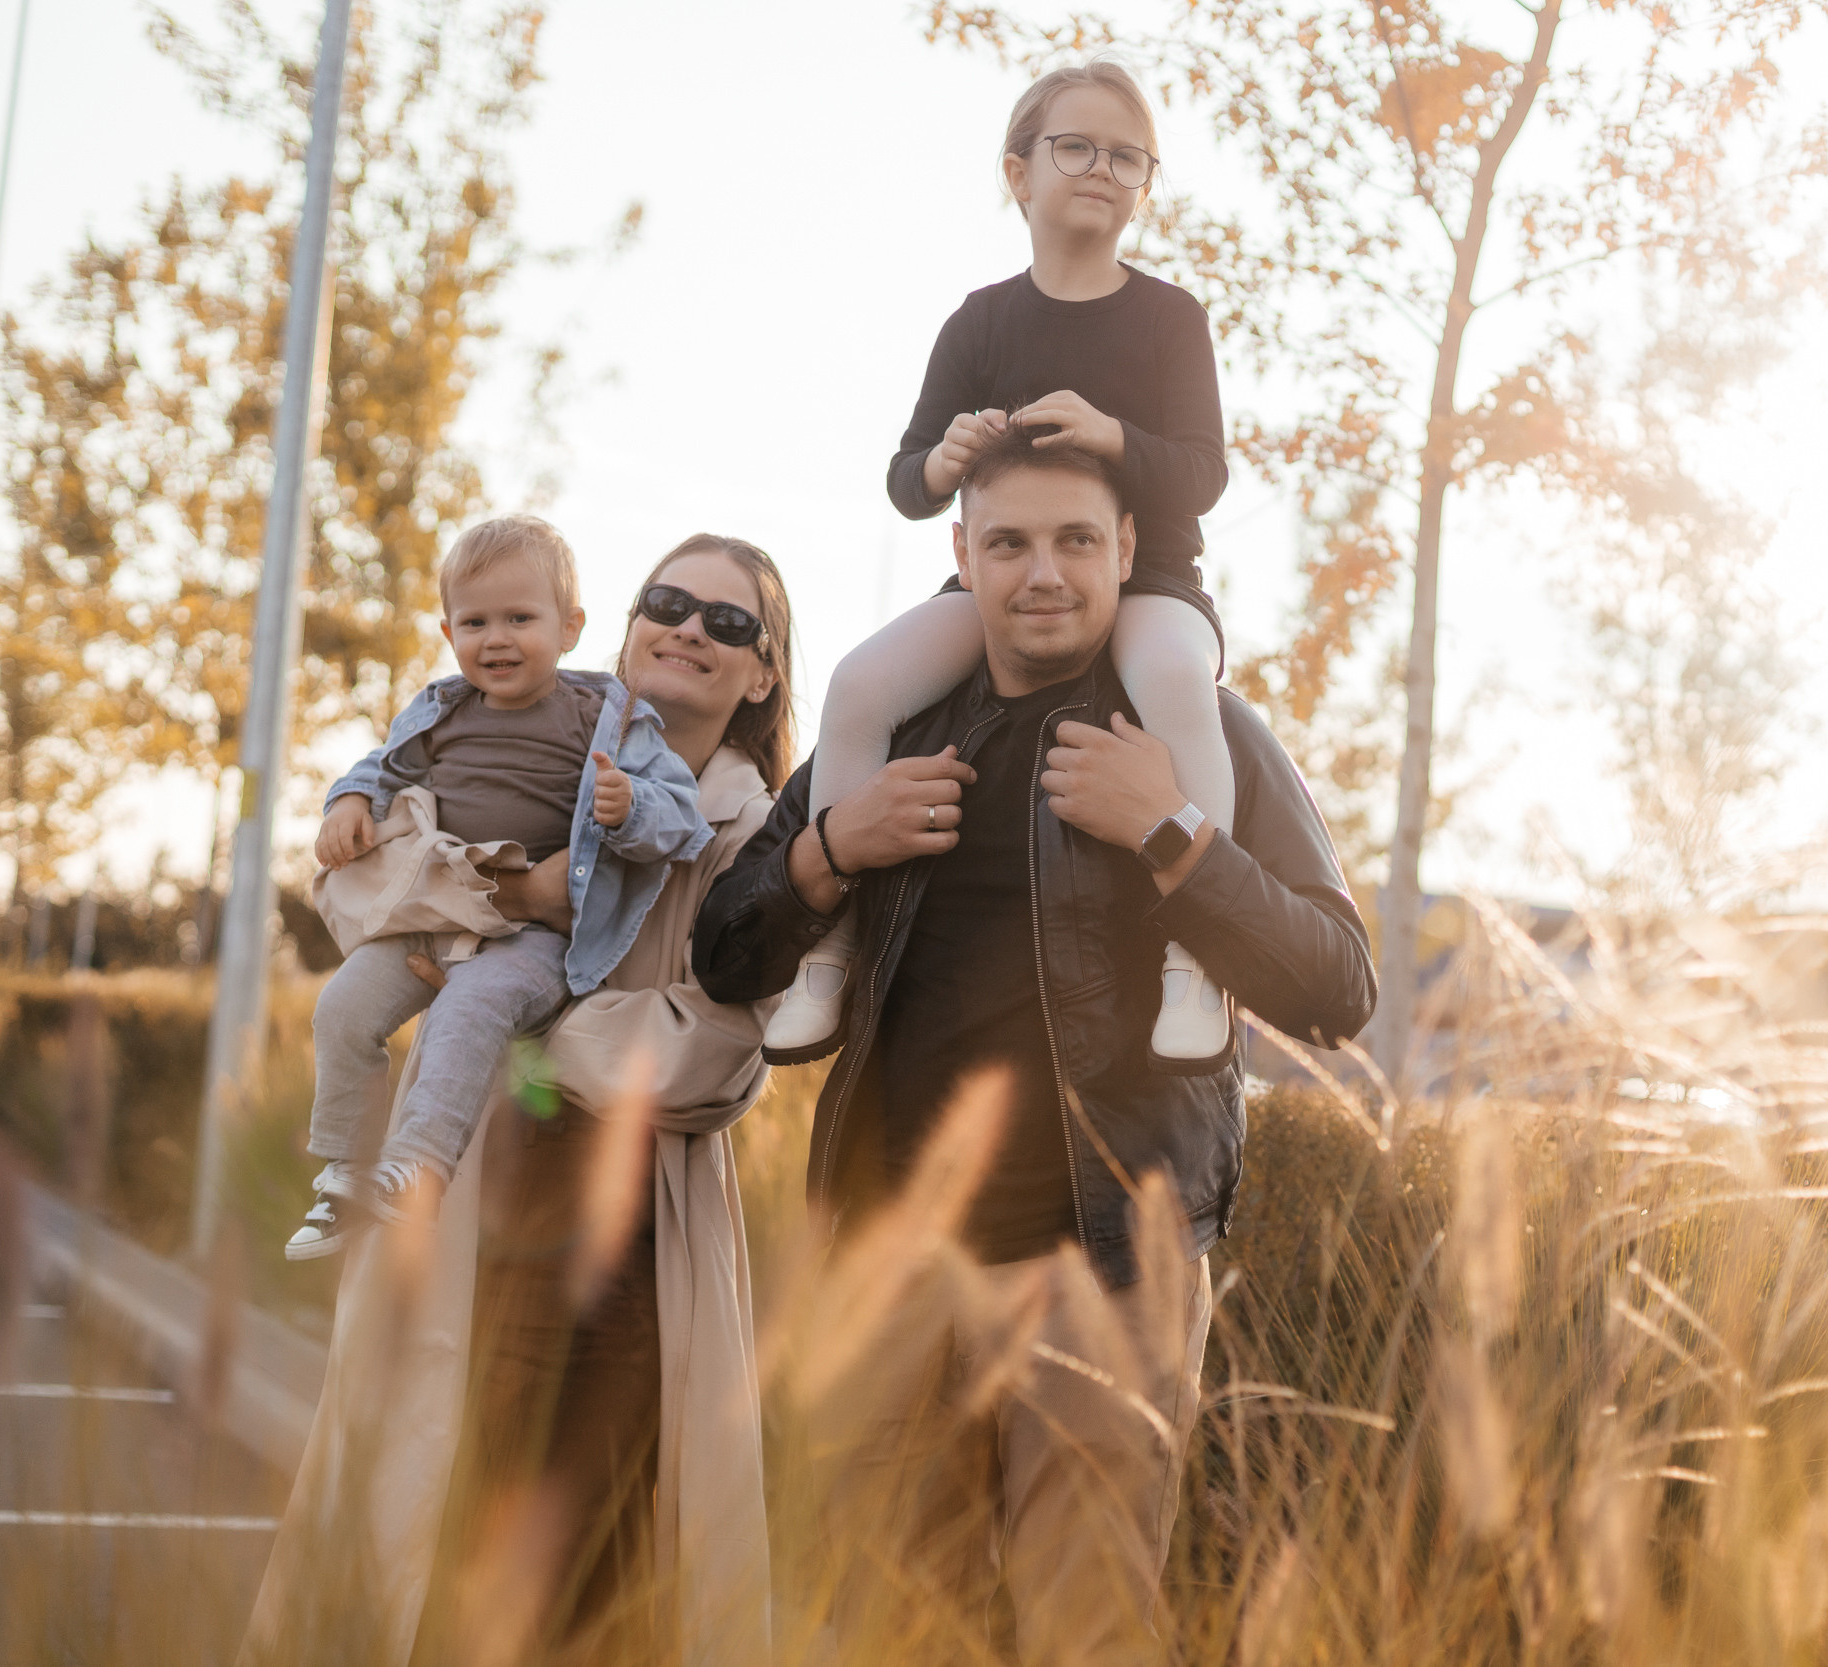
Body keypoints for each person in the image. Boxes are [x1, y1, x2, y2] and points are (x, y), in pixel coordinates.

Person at [693, 427, 1375, 1663]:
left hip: (1102, 1270)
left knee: (1087, 1632)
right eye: (1007, 543)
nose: (1042, 571)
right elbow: (725, 949)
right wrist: (833, 847)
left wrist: (1168, 832)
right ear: (962, 556)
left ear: (1126, 550)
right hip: (889, 1262)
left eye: (1074, 540)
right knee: (888, 1631)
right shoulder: (894, 728)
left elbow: (1338, 986)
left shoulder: (1196, 733)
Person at [244, 534, 798, 1667]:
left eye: (730, 622)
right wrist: (503, 880)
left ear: (761, 674)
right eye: (670, 600)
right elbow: (360, 894)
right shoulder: (524, 739)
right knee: (429, 1541)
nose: (691, 626)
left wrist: (519, 1016)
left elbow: (717, 1057)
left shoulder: (753, 829)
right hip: (464, 1206)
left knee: (586, 1571)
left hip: (628, 1246)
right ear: (626, 624)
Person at [764, 59, 1238, 1072]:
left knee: (1168, 678)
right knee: (861, 682)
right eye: (1076, 146)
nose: (1101, 169)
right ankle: (832, 948)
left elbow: (1202, 473)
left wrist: (1111, 435)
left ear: (1143, 184)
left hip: (1147, 577)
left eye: (1127, 156)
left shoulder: (1168, 319)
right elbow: (907, 479)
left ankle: (1199, 956)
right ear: (1019, 172)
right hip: (1000, 584)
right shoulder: (981, 319)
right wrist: (947, 457)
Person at [289, 514, 710, 1260]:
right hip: (438, 916)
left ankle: (415, 1169)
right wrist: (347, 803)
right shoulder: (441, 710)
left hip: (535, 938)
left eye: (521, 618)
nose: (498, 638)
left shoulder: (603, 716)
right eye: (476, 621)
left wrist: (628, 807)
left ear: (570, 625)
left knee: (469, 1007)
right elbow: (381, 768)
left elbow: (680, 813)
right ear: (449, 631)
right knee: (342, 1007)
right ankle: (346, 1171)